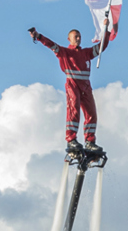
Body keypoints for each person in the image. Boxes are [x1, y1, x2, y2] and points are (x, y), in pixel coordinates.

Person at [29, 26, 108, 163]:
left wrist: (107, 30)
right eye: (75, 36)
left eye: (79, 36)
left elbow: (101, 47)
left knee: (91, 114)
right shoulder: (64, 52)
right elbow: (51, 45)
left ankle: (90, 141)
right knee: (74, 111)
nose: (78, 38)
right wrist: (39, 36)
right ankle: (71, 139)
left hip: (86, 85)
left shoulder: (86, 53)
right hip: (72, 84)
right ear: (69, 39)